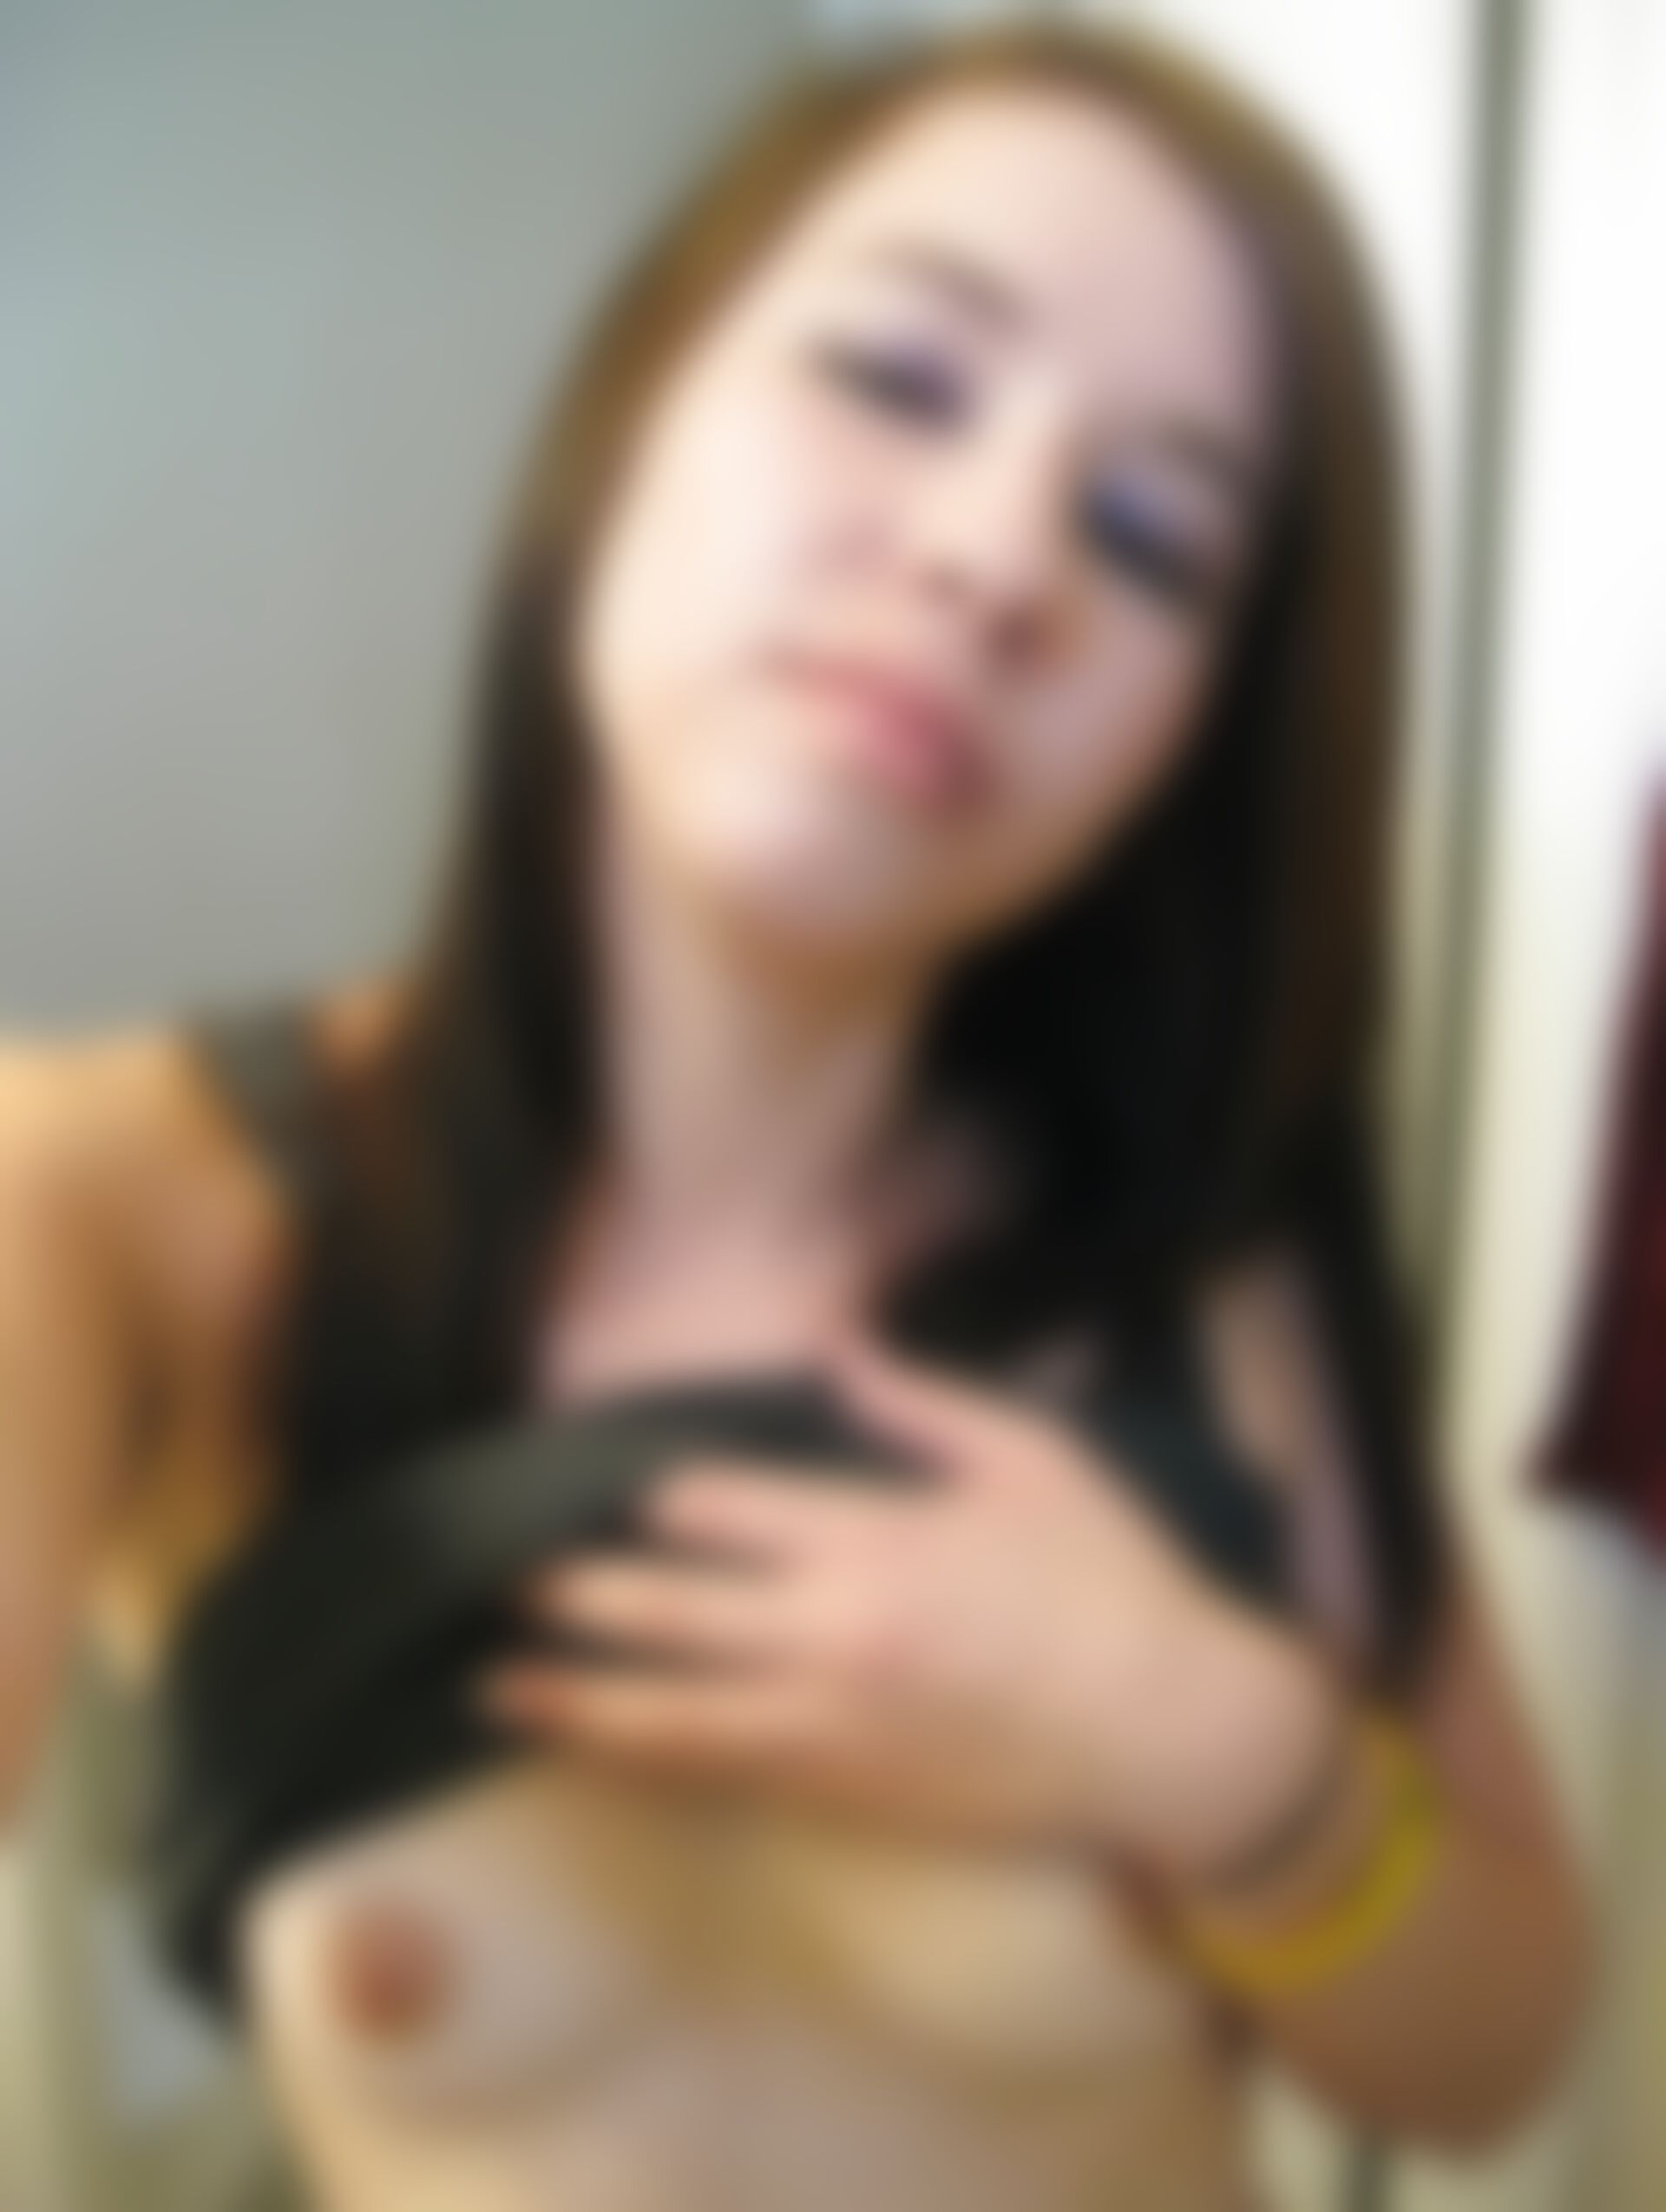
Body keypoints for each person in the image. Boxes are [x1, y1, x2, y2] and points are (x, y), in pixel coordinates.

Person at [0, 18, 1590, 2210]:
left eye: (1150, 536)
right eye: (899, 378)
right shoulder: (114, 1207)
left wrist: (1224, 1755)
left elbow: (1500, 2055)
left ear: (1184, 751)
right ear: (640, 403)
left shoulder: (1215, 1262)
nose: (996, 557)